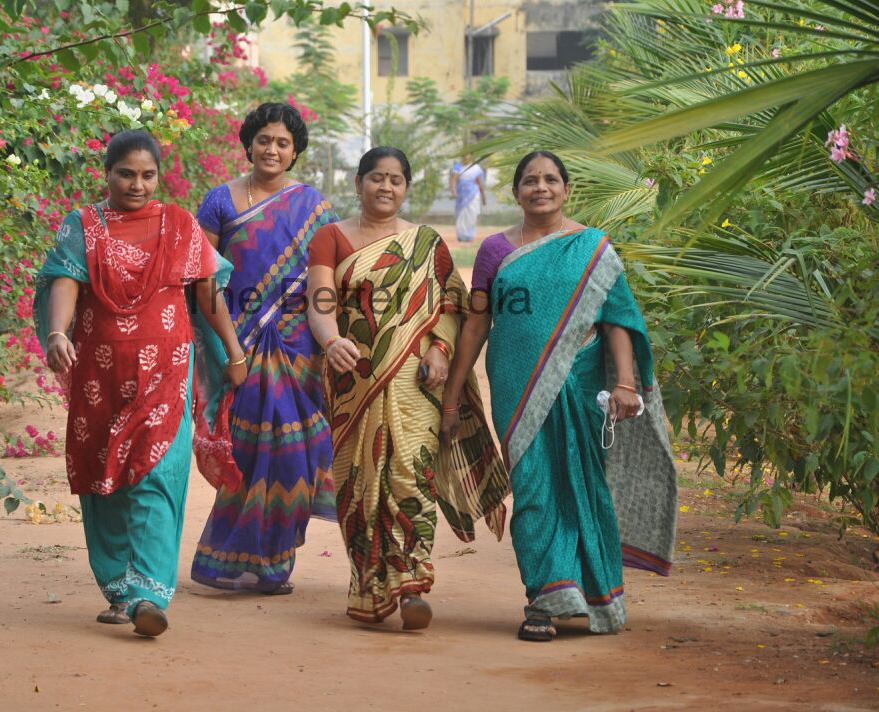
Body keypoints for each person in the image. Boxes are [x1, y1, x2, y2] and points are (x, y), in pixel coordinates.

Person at [439, 150, 678, 641]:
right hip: (515, 385)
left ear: (567, 190)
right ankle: (545, 600)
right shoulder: (494, 250)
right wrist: (451, 394)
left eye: (550, 179)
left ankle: (594, 599)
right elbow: (477, 323)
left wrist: (626, 383)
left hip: (582, 380)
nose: (540, 187)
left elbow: (618, 320)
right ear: (516, 192)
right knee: (531, 487)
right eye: (530, 180)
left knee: (582, 482)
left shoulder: (592, 248)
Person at [33, 129, 247, 637]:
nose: (137, 184)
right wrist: (59, 333)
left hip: (168, 373)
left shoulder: (179, 225)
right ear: (106, 174)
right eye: (126, 174)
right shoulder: (81, 225)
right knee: (103, 476)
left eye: (147, 174)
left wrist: (234, 351)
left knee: (157, 475)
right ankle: (119, 589)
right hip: (98, 379)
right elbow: (64, 279)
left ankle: (149, 593)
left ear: (159, 176)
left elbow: (208, 293)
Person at [307, 146, 511, 629]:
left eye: (396, 180)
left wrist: (440, 351)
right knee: (358, 484)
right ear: (358, 184)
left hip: (415, 380)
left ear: (406, 188)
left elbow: (453, 309)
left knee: (410, 473)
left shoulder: (428, 243)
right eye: (375, 178)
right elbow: (319, 301)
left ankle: (413, 579)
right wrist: (331, 339)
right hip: (352, 380)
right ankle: (369, 584)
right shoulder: (330, 238)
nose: (385, 187)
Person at [189, 103, 338, 595]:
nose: (272, 149)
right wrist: (229, 349)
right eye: (264, 140)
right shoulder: (219, 201)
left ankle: (275, 560)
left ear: (295, 152)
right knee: (251, 452)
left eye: (283, 143)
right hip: (240, 342)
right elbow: (203, 279)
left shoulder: (313, 205)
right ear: (248, 143)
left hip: (300, 344)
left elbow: (331, 274)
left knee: (299, 453)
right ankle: (237, 555)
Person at [449, 155, 486, 243]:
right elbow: (453, 180)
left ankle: (469, 236)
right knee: (461, 216)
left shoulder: (476, 167)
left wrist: (483, 196)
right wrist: (453, 191)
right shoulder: (457, 166)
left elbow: (480, 183)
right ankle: (461, 236)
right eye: (464, 156)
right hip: (461, 196)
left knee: (472, 215)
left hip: (473, 195)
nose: (465, 158)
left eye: (468, 156)